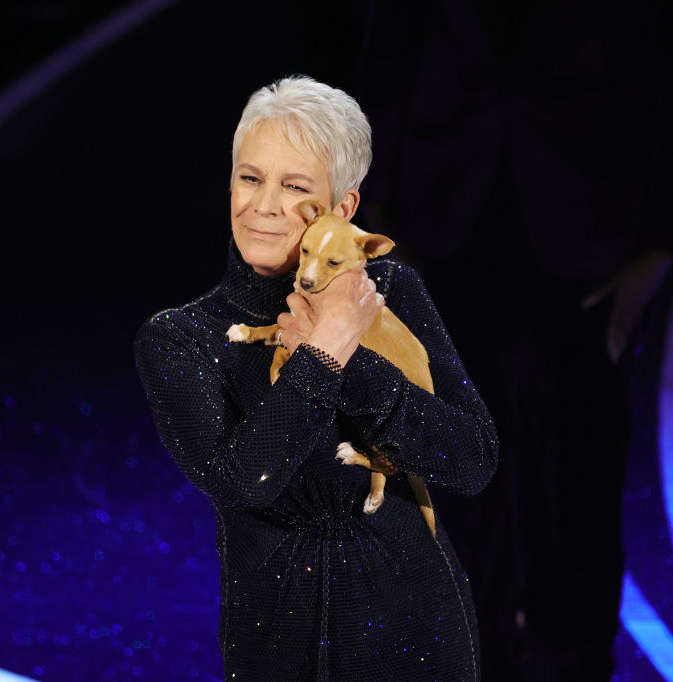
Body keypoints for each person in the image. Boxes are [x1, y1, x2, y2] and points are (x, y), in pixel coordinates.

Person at [355, 2, 673, 678]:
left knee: (577, 478)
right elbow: (390, 34)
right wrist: (376, 206)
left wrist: (666, 236)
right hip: (449, 203)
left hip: (594, 212)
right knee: (455, 483)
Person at [133, 76, 499, 680]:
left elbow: (472, 460)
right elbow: (245, 480)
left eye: (295, 187)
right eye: (250, 178)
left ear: (344, 209)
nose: (265, 205)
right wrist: (325, 353)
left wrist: (355, 362)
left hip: (418, 630)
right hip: (279, 640)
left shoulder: (395, 292)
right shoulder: (181, 337)